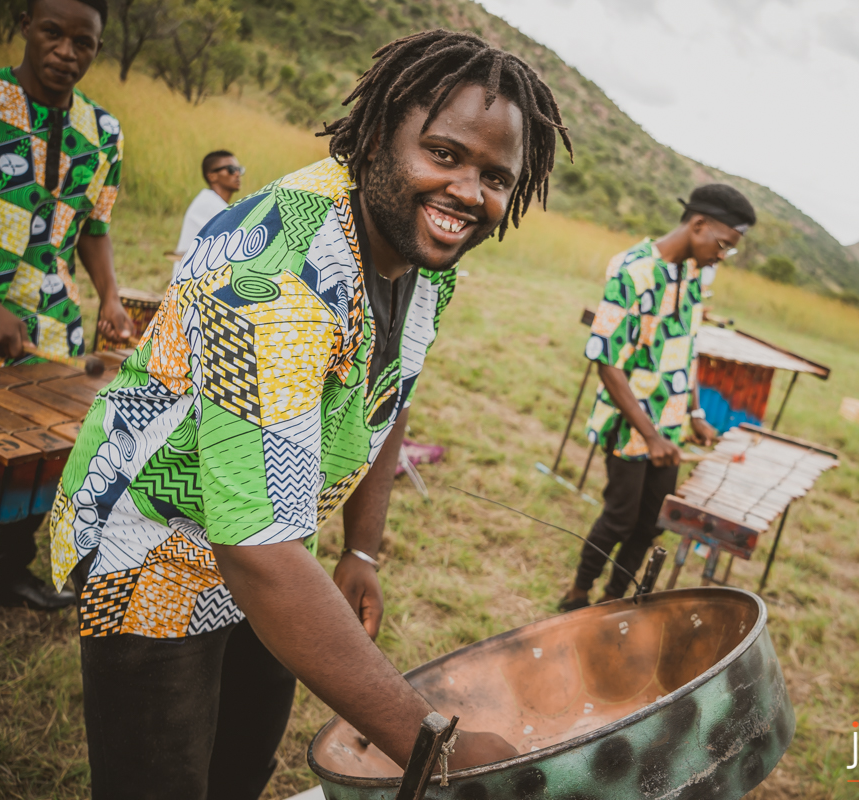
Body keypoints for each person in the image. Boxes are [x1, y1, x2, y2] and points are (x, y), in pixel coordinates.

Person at [49, 29, 571, 798]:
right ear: (377, 136)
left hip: (271, 546)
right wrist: (436, 749)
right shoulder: (280, 277)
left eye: (497, 176)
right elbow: (256, 549)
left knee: (241, 769)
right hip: (155, 550)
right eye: (445, 154)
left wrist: (361, 549)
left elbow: (389, 394)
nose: (469, 193)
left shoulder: (423, 257)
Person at [0, 0, 133, 666]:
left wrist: (110, 297)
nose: (66, 51)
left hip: (52, 329)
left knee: (47, 463)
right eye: (53, 32)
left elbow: (94, 227)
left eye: (84, 42)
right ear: (26, 24)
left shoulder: (102, 130)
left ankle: (5, 574)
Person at [558, 184, 756, 611]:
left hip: (670, 425)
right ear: (698, 225)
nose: (723, 255)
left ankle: (612, 602)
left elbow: (686, 349)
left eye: (730, 249)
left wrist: (695, 412)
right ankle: (577, 594)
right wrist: (650, 436)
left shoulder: (692, 274)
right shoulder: (633, 271)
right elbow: (607, 362)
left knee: (651, 524)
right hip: (630, 426)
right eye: (723, 244)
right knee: (620, 518)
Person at [172, 150, 243, 260]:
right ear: (212, 176)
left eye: (239, 169)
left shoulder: (211, 201)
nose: (237, 174)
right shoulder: (210, 205)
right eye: (231, 169)